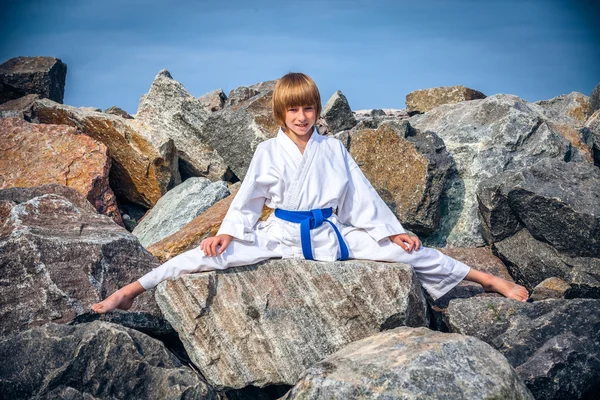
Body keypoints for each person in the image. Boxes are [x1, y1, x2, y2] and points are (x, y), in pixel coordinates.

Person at [92, 73, 528, 314]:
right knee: (203, 256)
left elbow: (360, 195)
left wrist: (390, 231)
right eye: (293, 109)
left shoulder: (333, 148)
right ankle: (130, 291)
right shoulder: (267, 151)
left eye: (309, 108)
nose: (302, 117)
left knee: (411, 253)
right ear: (281, 113)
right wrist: (228, 232)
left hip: (331, 233)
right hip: (280, 233)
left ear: (318, 110)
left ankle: (488, 280)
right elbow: (250, 199)